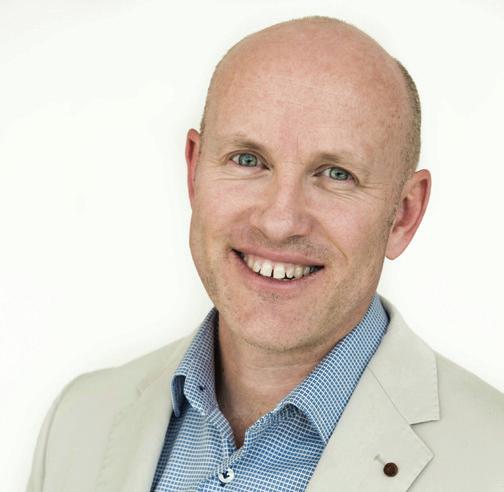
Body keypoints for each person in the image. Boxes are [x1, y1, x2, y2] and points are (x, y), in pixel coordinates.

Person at [27, 16, 504, 492]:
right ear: (194, 173)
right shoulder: (78, 422)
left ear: (403, 214)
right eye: (248, 160)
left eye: (336, 174)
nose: (279, 221)